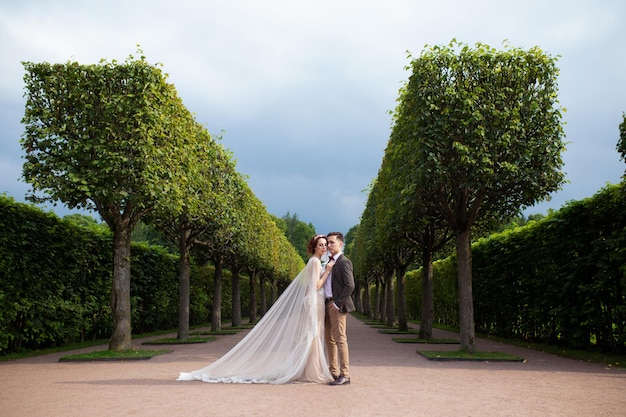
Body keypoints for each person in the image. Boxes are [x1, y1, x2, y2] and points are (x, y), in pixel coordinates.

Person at [177, 234, 335, 384]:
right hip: (316, 301)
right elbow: (315, 286)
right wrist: (327, 271)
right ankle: (312, 370)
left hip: (315, 301)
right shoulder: (315, 262)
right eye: (320, 245)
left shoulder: (315, 261)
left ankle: (309, 369)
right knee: (314, 333)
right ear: (314, 247)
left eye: (325, 245)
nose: (324, 247)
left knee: (313, 334)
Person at [323, 231, 355, 386]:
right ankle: (333, 371)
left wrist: (337, 304)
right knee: (329, 339)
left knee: (340, 339)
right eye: (328, 242)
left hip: (337, 306)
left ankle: (345, 375)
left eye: (332, 242)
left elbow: (350, 285)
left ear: (341, 243)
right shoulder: (330, 262)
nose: (329, 245)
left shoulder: (344, 262)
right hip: (327, 304)